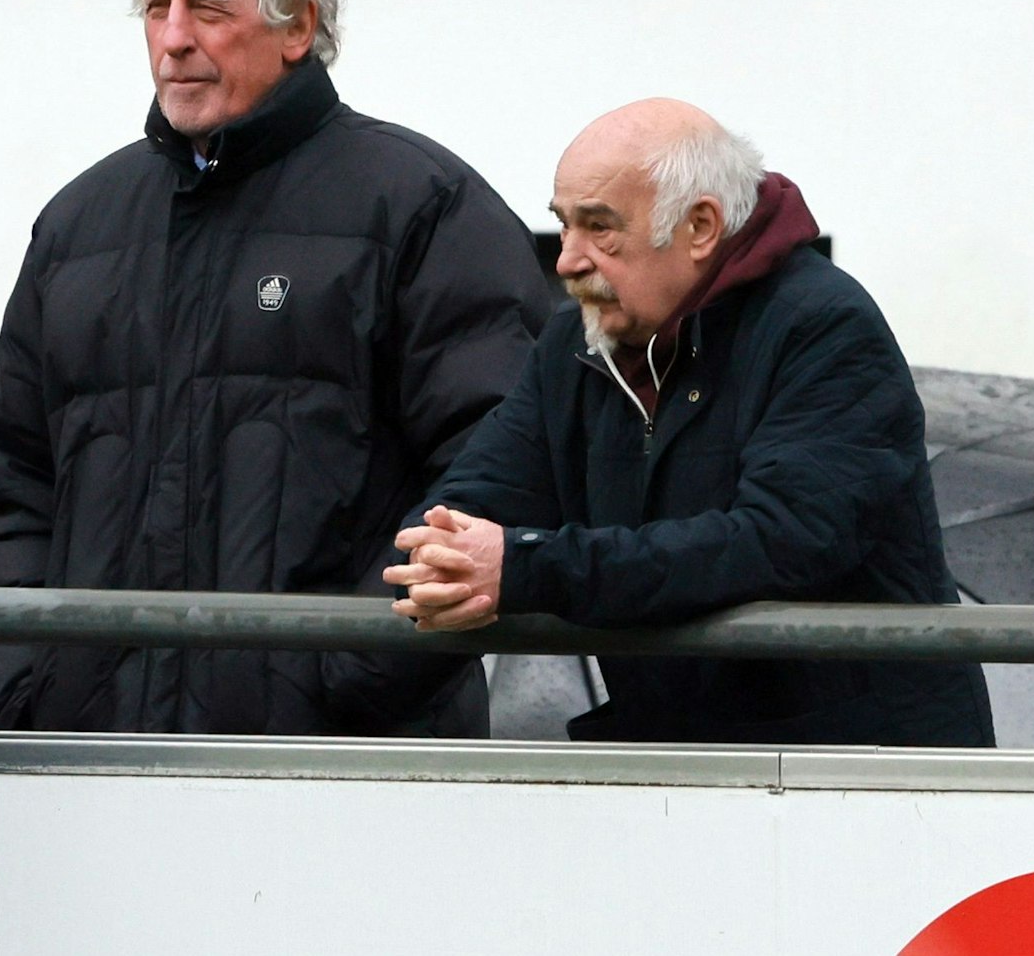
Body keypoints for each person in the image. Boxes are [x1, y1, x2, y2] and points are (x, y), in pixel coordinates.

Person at [0, 0, 550, 736]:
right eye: (155, 7)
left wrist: (343, 679)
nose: (171, 40)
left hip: (340, 773)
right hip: (90, 765)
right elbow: (11, 478)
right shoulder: (79, 223)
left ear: (298, 27)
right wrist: (29, 681)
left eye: (206, 9)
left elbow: (492, 469)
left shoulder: (420, 207)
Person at [386, 97, 994, 746]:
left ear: (700, 227)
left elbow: (780, 543)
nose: (566, 260)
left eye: (599, 227)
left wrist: (526, 565)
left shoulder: (820, 324)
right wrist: (442, 554)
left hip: (859, 778)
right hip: (685, 766)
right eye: (563, 226)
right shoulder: (575, 344)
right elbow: (474, 500)